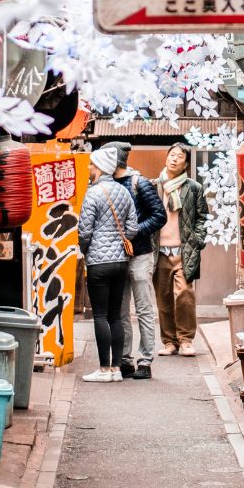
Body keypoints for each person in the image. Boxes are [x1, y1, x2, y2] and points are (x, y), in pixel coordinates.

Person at [101, 141, 167, 380]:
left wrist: (134, 231)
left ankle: (145, 360)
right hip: (118, 256)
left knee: (143, 309)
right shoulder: (105, 184)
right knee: (119, 311)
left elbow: (160, 216)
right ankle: (125, 358)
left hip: (140, 254)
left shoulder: (140, 183)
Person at [77, 145, 137, 383]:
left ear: (100, 166)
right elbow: (132, 228)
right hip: (121, 262)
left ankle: (103, 369)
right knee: (116, 316)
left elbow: (84, 230)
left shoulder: (93, 193)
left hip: (99, 263)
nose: (90, 168)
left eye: (92, 164)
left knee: (100, 316)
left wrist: (86, 249)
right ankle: (116, 369)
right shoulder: (123, 192)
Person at [154, 143, 208, 356]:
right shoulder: (154, 186)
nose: (174, 159)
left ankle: (185, 340)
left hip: (184, 250)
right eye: (171, 155)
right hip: (159, 251)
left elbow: (203, 216)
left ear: (186, 163)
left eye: (179, 156)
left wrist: (197, 239)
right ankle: (169, 341)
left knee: (185, 294)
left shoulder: (193, 188)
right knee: (163, 296)